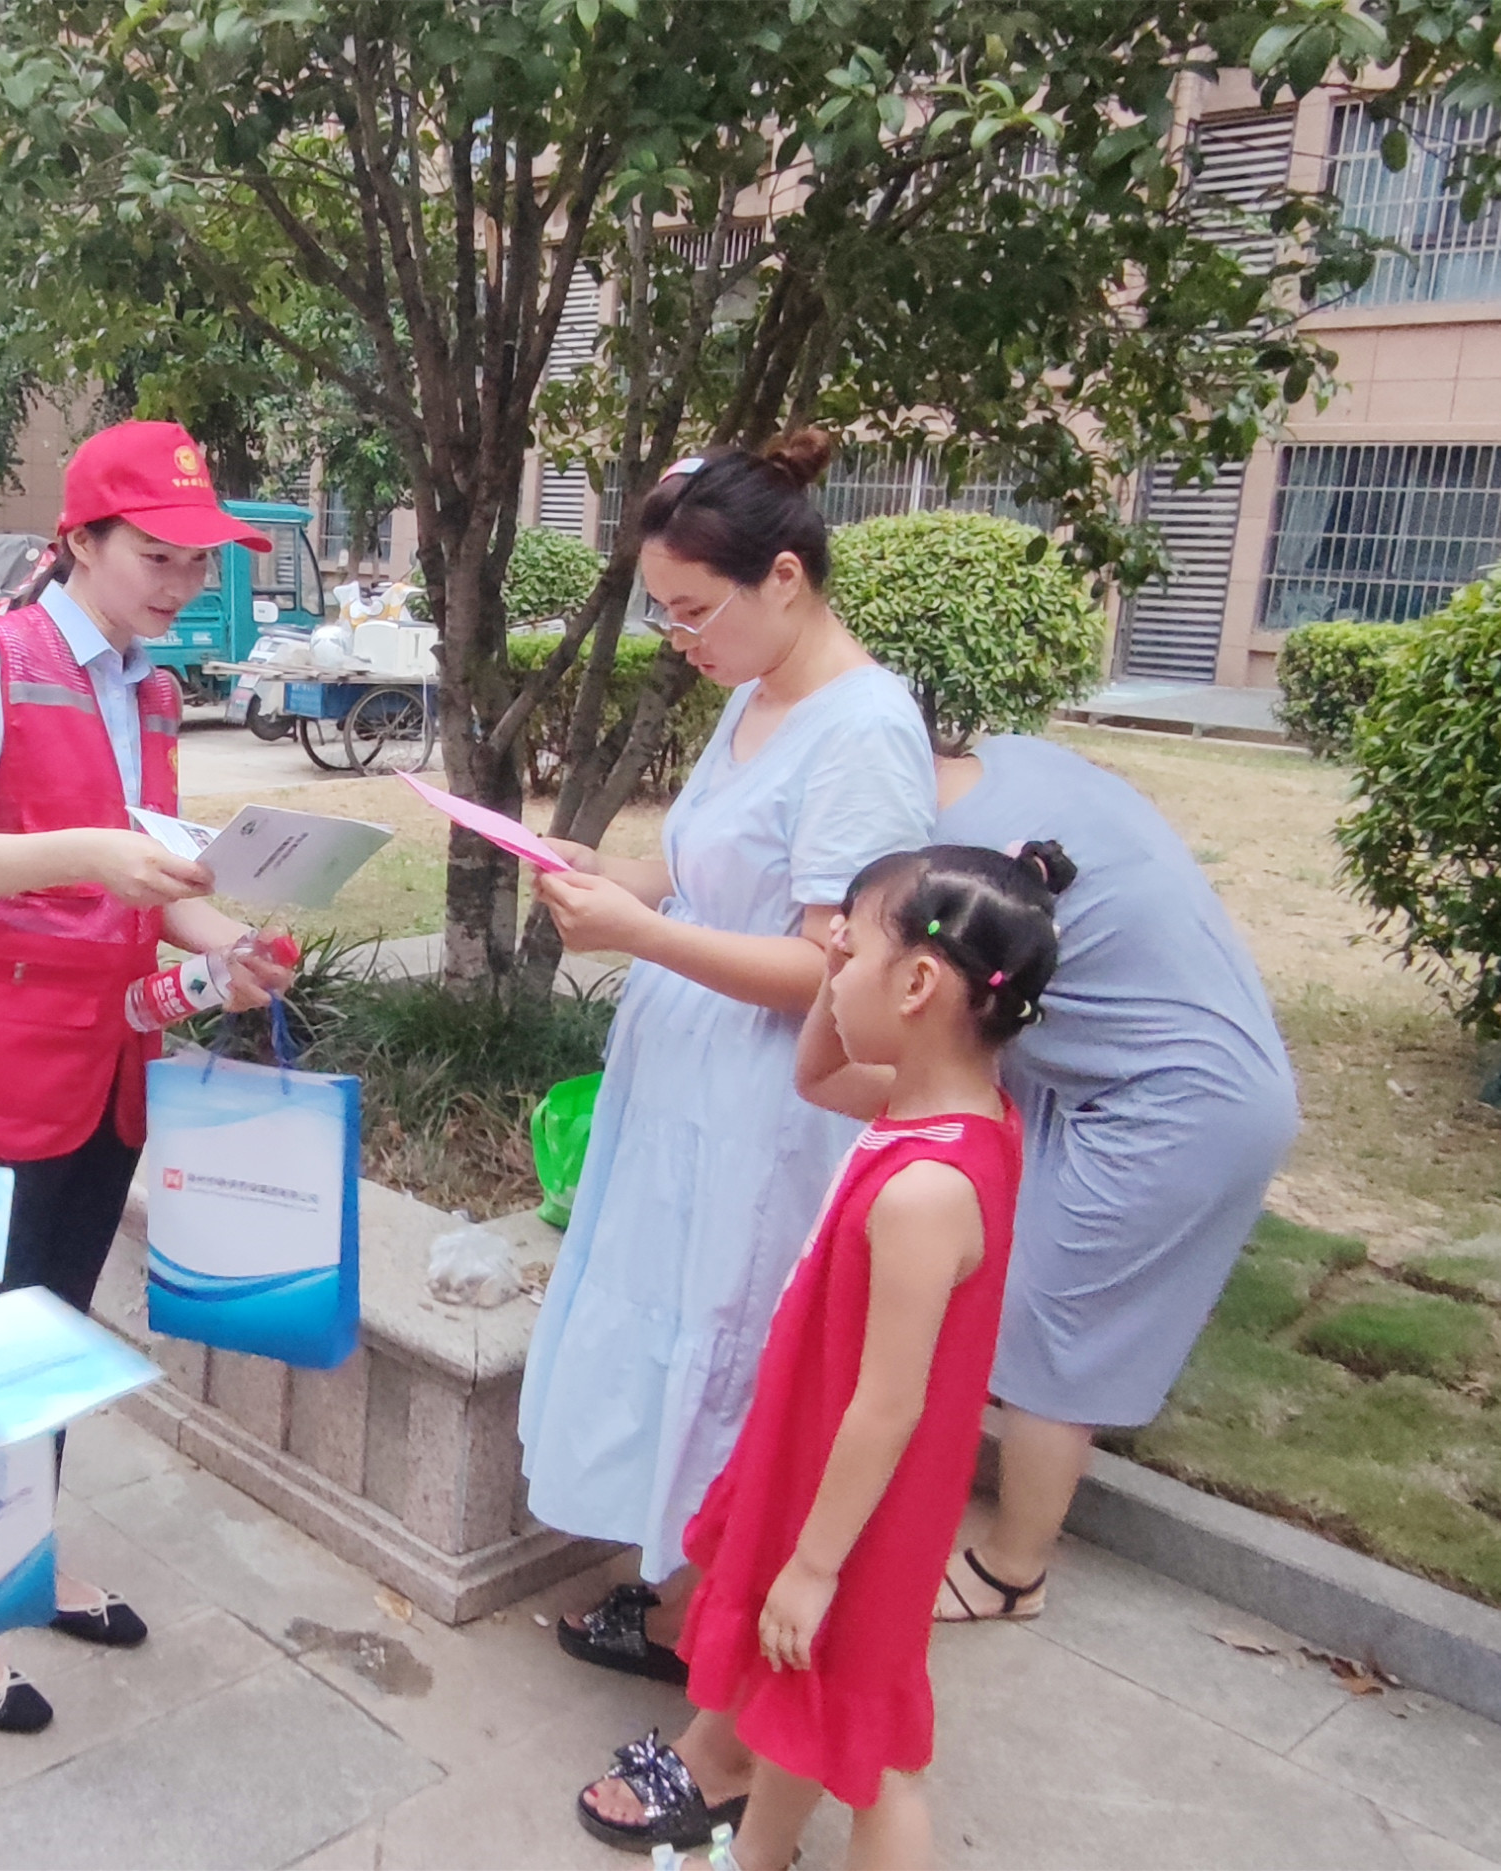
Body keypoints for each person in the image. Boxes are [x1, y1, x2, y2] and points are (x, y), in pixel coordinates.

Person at [0, 419, 296, 1732]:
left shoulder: (151, 688)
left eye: (198, 560)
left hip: (107, 1063)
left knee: (48, 1330)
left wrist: (228, 943)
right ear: (79, 541)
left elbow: (156, 881)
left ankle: (16, 1548)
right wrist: (84, 850)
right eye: (155, 556)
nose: (182, 583)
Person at [521, 432, 937, 1683]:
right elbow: (699, 867)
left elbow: (837, 974)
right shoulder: (759, 693)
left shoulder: (864, 731)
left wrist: (640, 931)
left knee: (736, 1330)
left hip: (770, 1092)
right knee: (671, 1311)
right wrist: (607, 875)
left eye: (696, 609)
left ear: (786, 579)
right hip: (686, 1068)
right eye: (667, 612)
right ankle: (680, 1585)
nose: (682, 638)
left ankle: (716, 1622)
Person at [577, 842, 1070, 1867]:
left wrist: (811, 1566)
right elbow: (817, 1073)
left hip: (865, 1507)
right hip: (830, 1466)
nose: (829, 963)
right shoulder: (938, 1107)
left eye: (851, 952)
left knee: (875, 1757)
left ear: (919, 984)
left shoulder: (926, 1187)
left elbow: (889, 1404)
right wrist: (841, 971)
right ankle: (758, 1850)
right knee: (797, 1691)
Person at [929, 735, 1298, 1622]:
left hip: (1177, 1102)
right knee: (1023, 1297)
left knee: (1055, 1332)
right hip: (1167, 1069)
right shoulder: (1011, 762)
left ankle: (1013, 1571)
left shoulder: (947, 866)